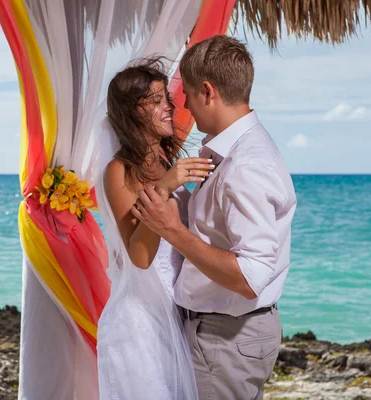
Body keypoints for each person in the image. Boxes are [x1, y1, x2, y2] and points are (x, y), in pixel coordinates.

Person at [132, 35, 297, 399]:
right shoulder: (233, 151)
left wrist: (172, 230)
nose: (185, 105)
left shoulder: (246, 165)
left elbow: (250, 277)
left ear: (207, 91)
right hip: (225, 335)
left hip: (227, 339)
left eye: (188, 94)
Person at [95, 58, 214, 400]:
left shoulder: (165, 161)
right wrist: (162, 188)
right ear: (134, 110)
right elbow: (139, 257)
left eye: (168, 100)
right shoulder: (118, 171)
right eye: (158, 100)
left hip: (175, 316)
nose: (170, 108)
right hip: (139, 326)